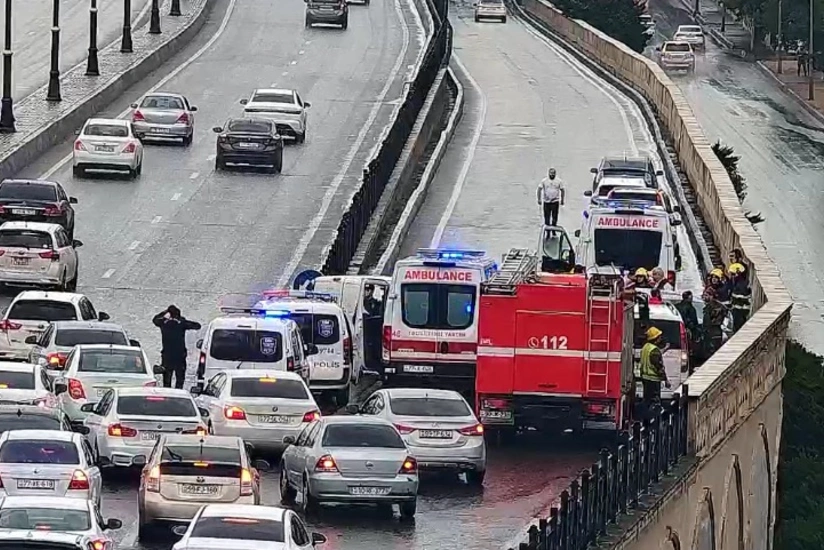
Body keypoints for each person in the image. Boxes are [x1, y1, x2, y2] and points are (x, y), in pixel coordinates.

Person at [152, 305, 202, 389]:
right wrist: (181, 320)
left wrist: (164, 313)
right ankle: (179, 394)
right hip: (180, 356)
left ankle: (167, 395)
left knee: (167, 381)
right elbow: (197, 326)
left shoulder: (164, 323)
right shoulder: (181, 323)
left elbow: (155, 320)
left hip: (167, 356)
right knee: (180, 380)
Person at [639, 326, 670, 406]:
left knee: (647, 401)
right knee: (654, 402)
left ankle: (645, 416)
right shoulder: (654, 350)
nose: (660, 338)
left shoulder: (645, 347)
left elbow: (654, 355)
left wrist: (665, 348)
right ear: (656, 338)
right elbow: (658, 367)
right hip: (653, 380)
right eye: (659, 337)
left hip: (645, 378)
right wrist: (666, 380)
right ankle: (652, 416)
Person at [702, 287, 727, 356]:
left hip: (713, 331)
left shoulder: (711, 306)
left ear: (711, 296)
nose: (704, 297)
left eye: (706, 295)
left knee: (712, 352)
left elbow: (707, 321)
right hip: (714, 331)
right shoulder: (714, 306)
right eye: (704, 295)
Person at [728, 263, 752, 333]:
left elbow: (740, 299)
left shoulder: (741, 285)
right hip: (739, 311)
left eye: (733, 274)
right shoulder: (739, 283)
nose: (731, 276)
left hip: (740, 312)